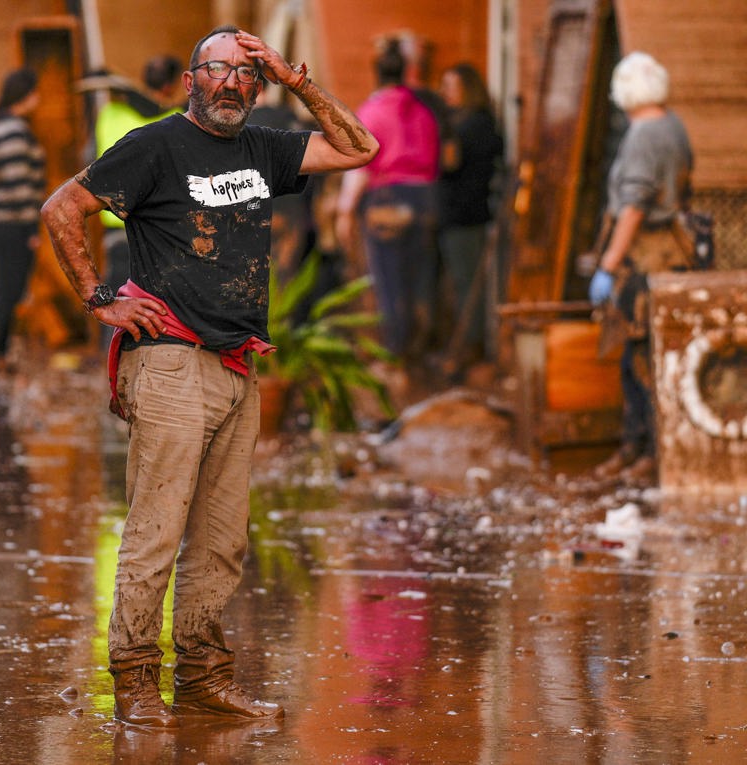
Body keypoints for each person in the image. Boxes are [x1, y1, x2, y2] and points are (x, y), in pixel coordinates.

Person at [40, 25, 377, 727]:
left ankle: (202, 676)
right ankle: (134, 682)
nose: (232, 84)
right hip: (167, 359)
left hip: (235, 363)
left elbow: (359, 148)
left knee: (223, 539)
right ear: (191, 81)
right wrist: (100, 298)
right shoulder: (154, 145)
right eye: (217, 71)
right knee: (155, 531)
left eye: (245, 76)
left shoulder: (263, 148)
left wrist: (298, 81)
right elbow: (62, 207)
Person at [587, 52, 694, 483]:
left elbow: (634, 206)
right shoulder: (673, 126)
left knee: (642, 362)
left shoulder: (644, 135)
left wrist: (609, 266)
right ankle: (638, 450)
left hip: (649, 260)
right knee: (646, 358)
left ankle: (647, 452)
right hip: (672, 255)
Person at [336, 36, 440, 369]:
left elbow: (361, 166)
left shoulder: (371, 112)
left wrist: (345, 210)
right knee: (420, 279)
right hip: (426, 199)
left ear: (377, 75)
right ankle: (419, 352)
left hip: (388, 200)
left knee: (390, 280)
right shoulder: (424, 112)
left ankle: (395, 355)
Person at [88, 55, 184, 347]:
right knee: (157, 300)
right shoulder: (176, 118)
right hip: (156, 229)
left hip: (114, 223)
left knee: (115, 296)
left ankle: (110, 356)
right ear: (170, 86)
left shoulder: (110, 114)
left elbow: (89, 157)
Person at [0, 68, 47, 374]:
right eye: (35, 92)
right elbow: (18, 186)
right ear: (24, 95)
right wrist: (32, 229)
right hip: (11, 221)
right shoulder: (14, 130)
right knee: (9, 290)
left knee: (8, 288)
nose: (39, 98)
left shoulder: (1, 126)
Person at [436, 62, 503, 375]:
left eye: (451, 86)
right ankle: (468, 347)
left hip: (464, 215)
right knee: (465, 284)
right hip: (468, 213)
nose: (445, 93)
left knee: (467, 285)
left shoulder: (469, 126)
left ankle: (471, 350)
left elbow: (450, 163)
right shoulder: (483, 122)